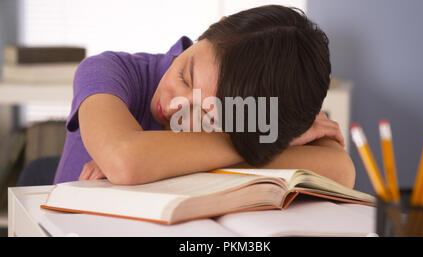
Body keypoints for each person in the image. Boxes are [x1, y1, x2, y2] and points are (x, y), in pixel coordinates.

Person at [53, 5, 356, 188]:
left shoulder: (261, 115)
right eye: (185, 75)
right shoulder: (109, 71)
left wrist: (258, 135)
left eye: (209, 115)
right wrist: (258, 141)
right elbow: (125, 160)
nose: (174, 106)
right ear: (210, 28)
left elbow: (341, 170)